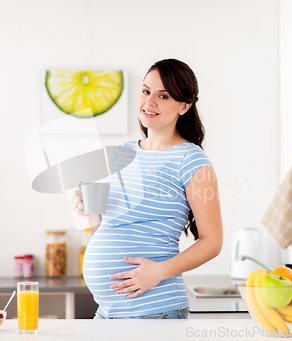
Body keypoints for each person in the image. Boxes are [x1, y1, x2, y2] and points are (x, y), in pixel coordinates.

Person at [70, 59, 223, 319]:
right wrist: (88, 210)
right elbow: (104, 229)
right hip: (107, 313)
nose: (149, 102)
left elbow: (212, 241)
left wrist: (159, 272)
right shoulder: (123, 154)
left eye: (163, 96)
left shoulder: (191, 160)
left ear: (184, 106)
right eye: (145, 91)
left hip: (154, 311)